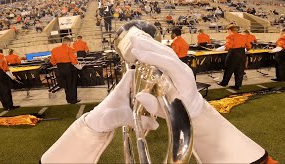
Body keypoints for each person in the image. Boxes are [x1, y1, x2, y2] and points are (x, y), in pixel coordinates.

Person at [41, 32, 277, 164]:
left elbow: (55, 61)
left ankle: (72, 100)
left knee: (68, 87)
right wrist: (203, 119)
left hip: (64, 68)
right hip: (206, 59)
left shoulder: (59, 49)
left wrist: (83, 135)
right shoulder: (181, 41)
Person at [216, 25, 252, 90]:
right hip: (242, 53)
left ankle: (224, 83)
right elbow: (249, 46)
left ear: (230, 30)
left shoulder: (230, 36)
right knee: (240, 70)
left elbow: (227, 46)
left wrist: (217, 50)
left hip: (233, 54)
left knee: (228, 69)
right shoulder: (243, 36)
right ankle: (238, 85)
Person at [51, 37, 83, 104]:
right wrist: (79, 67)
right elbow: (74, 61)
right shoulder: (70, 49)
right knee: (72, 84)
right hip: (69, 68)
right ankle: (73, 100)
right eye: (70, 43)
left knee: (66, 85)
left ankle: (68, 99)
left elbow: (53, 61)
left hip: (60, 69)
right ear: (68, 42)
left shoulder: (54, 50)